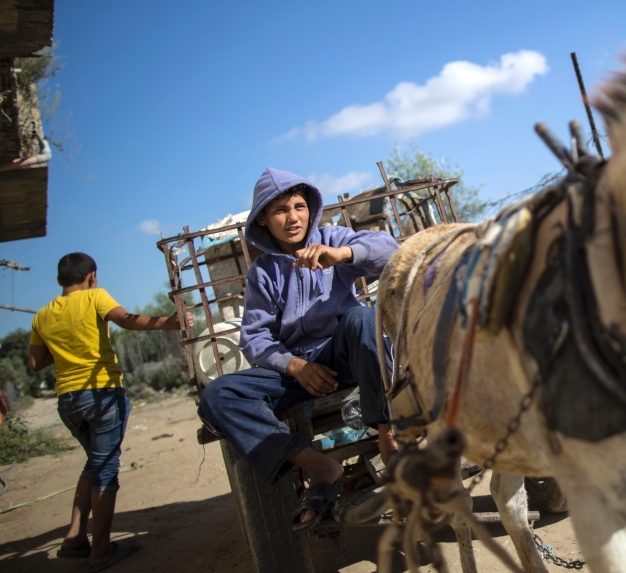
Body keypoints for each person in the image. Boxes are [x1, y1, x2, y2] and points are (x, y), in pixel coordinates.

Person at [198, 168, 400, 531]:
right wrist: (294, 367)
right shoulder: (262, 272)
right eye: (280, 210)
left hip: (346, 356)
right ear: (263, 218)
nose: (293, 217)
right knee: (218, 394)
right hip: (298, 371)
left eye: (299, 206)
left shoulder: (331, 237)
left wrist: (341, 254)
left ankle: (388, 434)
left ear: (311, 208)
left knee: (362, 319)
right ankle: (320, 466)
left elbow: (391, 252)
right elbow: (255, 338)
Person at [28, 252, 191, 571]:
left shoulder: (42, 315)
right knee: (105, 467)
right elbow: (126, 320)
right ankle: (101, 549)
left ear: (61, 280)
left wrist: (62, 348)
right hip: (101, 393)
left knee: (94, 463)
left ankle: (75, 539)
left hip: (67, 400)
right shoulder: (94, 297)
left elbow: (35, 364)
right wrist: (170, 322)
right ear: (92, 276)